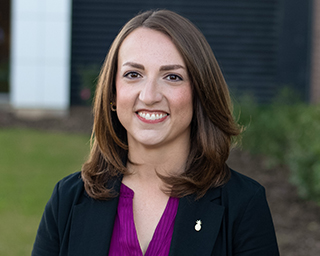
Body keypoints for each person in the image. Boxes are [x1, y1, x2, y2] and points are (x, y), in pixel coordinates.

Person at [32, 9, 279, 256]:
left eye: (172, 77)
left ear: (200, 93)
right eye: (133, 74)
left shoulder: (244, 204)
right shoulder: (67, 200)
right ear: (113, 94)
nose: (149, 96)